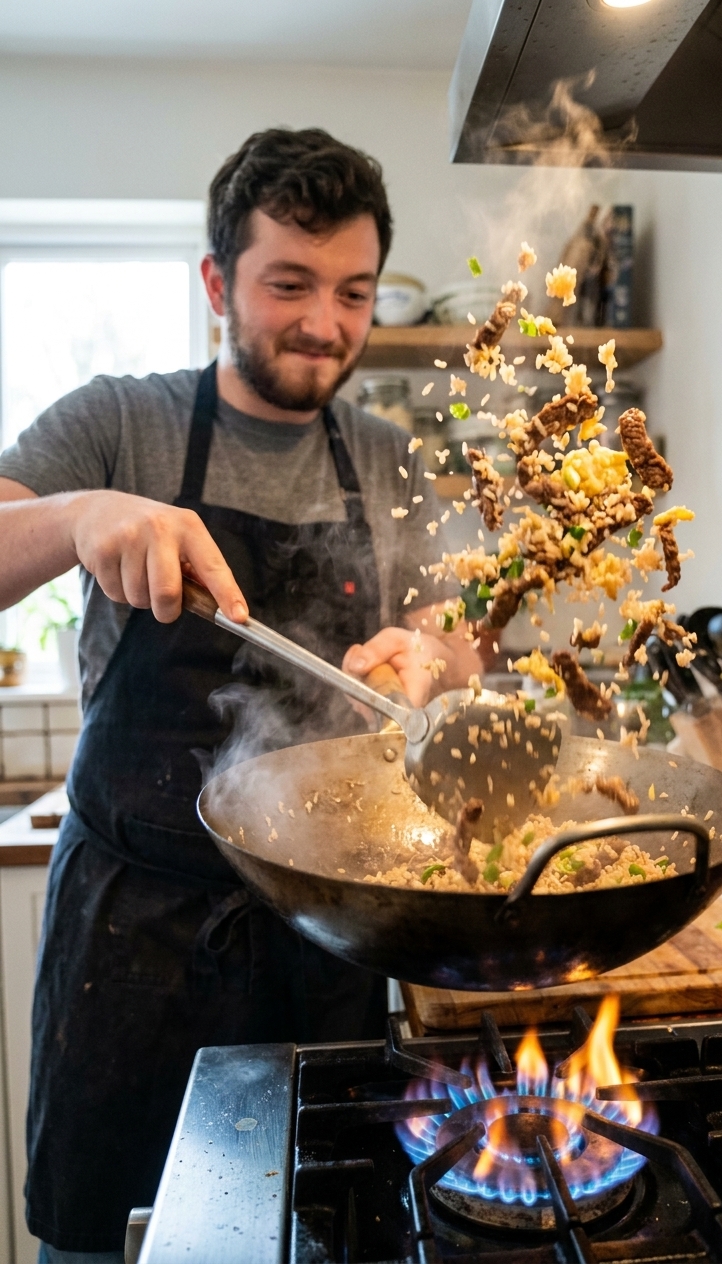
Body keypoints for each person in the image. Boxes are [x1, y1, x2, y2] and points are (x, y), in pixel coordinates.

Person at [0, 127, 480, 1261]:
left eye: (354, 291)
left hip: (329, 948)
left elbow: (460, 644)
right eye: (290, 284)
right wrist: (80, 516)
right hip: (136, 946)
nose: (326, 321)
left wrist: (428, 657)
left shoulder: (384, 450)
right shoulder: (122, 419)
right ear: (219, 281)